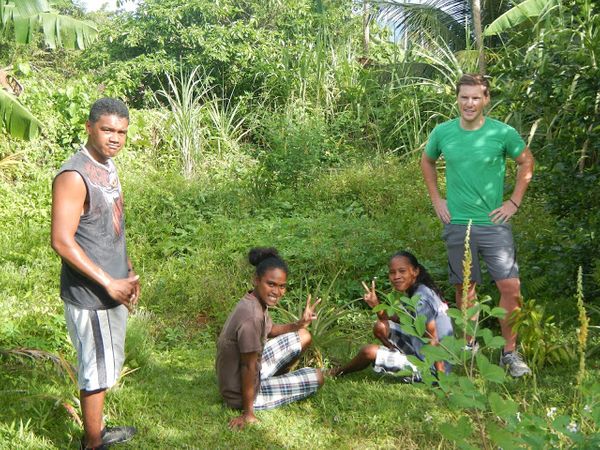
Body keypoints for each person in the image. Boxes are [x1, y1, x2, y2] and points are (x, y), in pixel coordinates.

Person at [421, 73, 535, 377]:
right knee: (464, 286)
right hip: (458, 222)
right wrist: (437, 200)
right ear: (457, 99)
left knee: (510, 286)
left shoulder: (503, 133)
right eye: (464, 97)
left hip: (493, 224)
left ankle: (509, 353)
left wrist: (513, 202)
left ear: (486, 99)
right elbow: (427, 161)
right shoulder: (443, 132)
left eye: (475, 97)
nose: (469, 103)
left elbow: (527, 162)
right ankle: (469, 346)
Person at [51, 98, 139, 450]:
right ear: (89, 127)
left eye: (121, 132)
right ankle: (92, 443)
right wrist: (108, 282)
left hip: (114, 287)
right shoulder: (75, 175)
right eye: (107, 130)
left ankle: (97, 431)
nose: (115, 138)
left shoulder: (107, 165)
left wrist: (128, 271)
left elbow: (110, 227)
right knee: (95, 371)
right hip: (92, 295)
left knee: (104, 367)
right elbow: (61, 240)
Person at [216, 247, 325, 430]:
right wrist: (248, 413)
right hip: (239, 391)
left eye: (282, 286)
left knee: (303, 335)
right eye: (271, 284)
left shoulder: (254, 300)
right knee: (318, 377)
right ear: (256, 280)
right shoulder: (251, 317)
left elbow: (271, 330)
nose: (277, 291)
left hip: (242, 373)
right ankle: (252, 401)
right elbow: (248, 366)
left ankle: (276, 380)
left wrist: (299, 324)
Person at [330, 251, 453, 380]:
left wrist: (441, 378)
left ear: (415, 271)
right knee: (381, 326)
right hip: (423, 351)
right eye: (392, 272)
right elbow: (399, 321)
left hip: (431, 367)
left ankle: (337, 372)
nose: (396, 276)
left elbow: (432, 339)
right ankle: (395, 356)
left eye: (402, 271)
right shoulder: (419, 290)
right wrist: (376, 304)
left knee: (368, 351)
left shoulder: (421, 299)